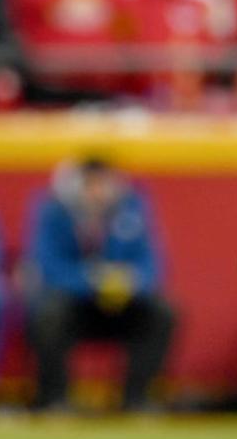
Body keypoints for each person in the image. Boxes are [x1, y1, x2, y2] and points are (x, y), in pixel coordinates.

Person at [22, 156, 175, 412]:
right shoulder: (53, 210)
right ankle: (55, 400)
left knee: (162, 313)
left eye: (104, 184)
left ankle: (136, 400)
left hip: (122, 306)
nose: (98, 192)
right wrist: (94, 281)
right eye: (91, 184)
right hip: (73, 307)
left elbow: (152, 264)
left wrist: (128, 282)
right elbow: (48, 267)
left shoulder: (132, 208)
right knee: (47, 314)